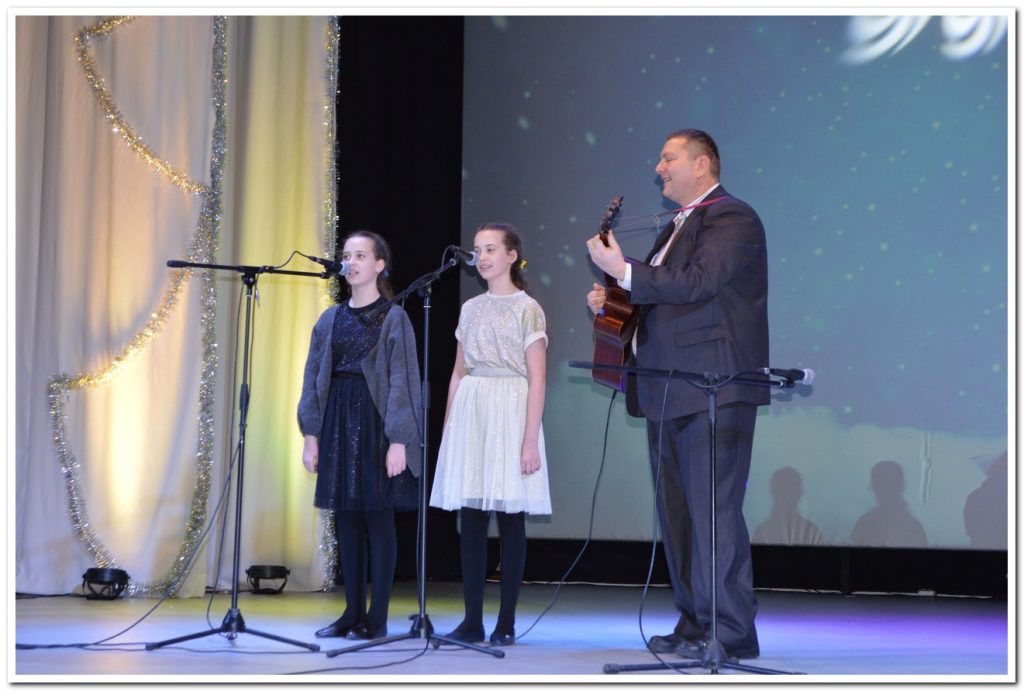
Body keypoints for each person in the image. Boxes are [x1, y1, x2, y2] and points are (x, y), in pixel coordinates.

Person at [586, 129, 769, 660]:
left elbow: (698, 282)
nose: (659, 167)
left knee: (713, 513)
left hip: (713, 389)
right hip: (668, 387)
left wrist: (623, 270)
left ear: (703, 164)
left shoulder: (733, 217)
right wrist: (617, 298)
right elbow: (667, 296)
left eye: (669, 158)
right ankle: (694, 623)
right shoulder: (677, 225)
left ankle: (730, 632)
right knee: (680, 516)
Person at [430, 223, 551, 646]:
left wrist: (529, 440)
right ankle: (471, 621)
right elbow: (458, 372)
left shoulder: (528, 309)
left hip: (510, 409)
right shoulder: (470, 308)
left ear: (511, 256)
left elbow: (538, 378)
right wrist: (449, 428)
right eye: (478, 250)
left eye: (491, 249)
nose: (481, 257)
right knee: (472, 518)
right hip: (473, 409)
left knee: (510, 517)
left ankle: (506, 622)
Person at [297, 230, 422, 641]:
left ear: (379, 265)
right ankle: (351, 612)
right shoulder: (330, 318)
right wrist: (311, 434)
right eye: (347, 256)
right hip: (338, 418)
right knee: (347, 519)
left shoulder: (393, 317)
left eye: (361, 256)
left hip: (376, 421)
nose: (351, 262)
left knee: (377, 518)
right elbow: (313, 377)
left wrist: (399, 440)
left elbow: (403, 382)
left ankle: (377, 617)